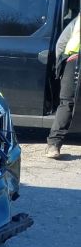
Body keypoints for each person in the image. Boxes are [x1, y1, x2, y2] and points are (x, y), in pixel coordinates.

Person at [45, 11, 80, 158]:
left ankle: (54, 145)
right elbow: (62, 42)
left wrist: (62, 62)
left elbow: (61, 43)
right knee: (67, 102)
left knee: (67, 103)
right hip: (75, 60)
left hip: (73, 60)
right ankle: (53, 144)